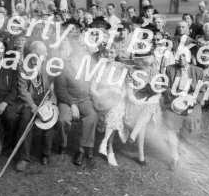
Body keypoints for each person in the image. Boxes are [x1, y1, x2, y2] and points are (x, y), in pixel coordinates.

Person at [91, 44, 145, 166]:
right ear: (103, 53)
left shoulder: (122, 67)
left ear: (116, 54)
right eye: (107, 52)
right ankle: (109, 149)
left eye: (112, 53)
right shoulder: (99, 67)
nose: (109, 55)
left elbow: (125, 90)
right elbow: (92, 89)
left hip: (118, 98)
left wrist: (117, 99)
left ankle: (105, 144)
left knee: (116, 111)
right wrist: (101, 97)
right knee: (114, 113)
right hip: (102, 98)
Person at [55, 35, 98, 166]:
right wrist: (72, 104)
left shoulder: (89, 63)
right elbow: (60, 89)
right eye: (82, 46)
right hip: (68, 99)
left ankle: (82, 149)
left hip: (85, 99)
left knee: (92, 115)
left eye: (86, 46)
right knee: (63, 119)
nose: (85, 49)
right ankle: (63, 143)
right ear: (74, 47)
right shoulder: (65, 64)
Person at [15, 41, 57, 171]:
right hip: (30, 102)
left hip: (44, 100)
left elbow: (51, 85)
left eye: (44, 54)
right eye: (41, 54)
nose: (43, 57)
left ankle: (46, 153)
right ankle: (24, 157)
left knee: (49, 119)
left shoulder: (46, 65)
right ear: (33, 53)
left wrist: (51, 100)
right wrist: (33, 105)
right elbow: (22, 90)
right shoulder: (23, 67)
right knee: (25, 120)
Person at [163, 49, 205, 170]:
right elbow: (165, 87)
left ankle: (181, 142)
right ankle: (174, 157)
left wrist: (192, 98)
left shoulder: (198, 71)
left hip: (192, 101)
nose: (181, 58)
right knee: (170, 122)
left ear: (189, 57)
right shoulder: (170, 69)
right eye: (179, 56)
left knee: (191, 121)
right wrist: (174, 94)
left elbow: (202, 90)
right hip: (174, 100)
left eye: (184, 56)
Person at [124, 51, 163, 166]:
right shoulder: (131, 71)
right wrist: (136, 101)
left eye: (144, 59)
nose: (142, 62)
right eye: (139, 59)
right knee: (144, 119)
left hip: (150, 103)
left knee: (149, 108)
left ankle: (133, 135)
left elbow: (158, 93)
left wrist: (148, 99)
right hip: (134, 102)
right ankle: (141, 156)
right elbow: (129, 92)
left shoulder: (155, 72)